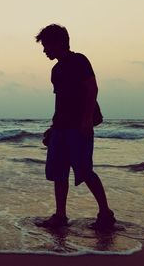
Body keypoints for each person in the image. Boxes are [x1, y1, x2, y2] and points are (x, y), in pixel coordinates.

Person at [35, 24, 116, 229]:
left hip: (79, 127)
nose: (44, 50)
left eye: (46, 45)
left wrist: (87, 119)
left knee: (85, 171)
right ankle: (60, 216)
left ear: (57, 43)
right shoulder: (56, 69)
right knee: (59, 173)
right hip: (61, 128)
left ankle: (105, 214)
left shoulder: (79, 60)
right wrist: (53, 128)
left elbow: (92, 88)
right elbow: (61, 102)